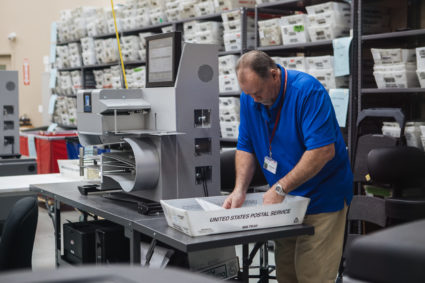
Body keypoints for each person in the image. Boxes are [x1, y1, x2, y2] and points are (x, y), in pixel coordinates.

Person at [222, 50, 353, 283]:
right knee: (286, 274)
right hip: (285, 202)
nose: (254, 100)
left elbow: (323, 151)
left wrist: (280, 187)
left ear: (274, 75)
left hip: (321, 198)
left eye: (258, 92)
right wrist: (239, 189)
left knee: (312, 275)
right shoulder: (250, 97)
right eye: (248, 94)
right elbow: (246, 145)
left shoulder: (307, 92)